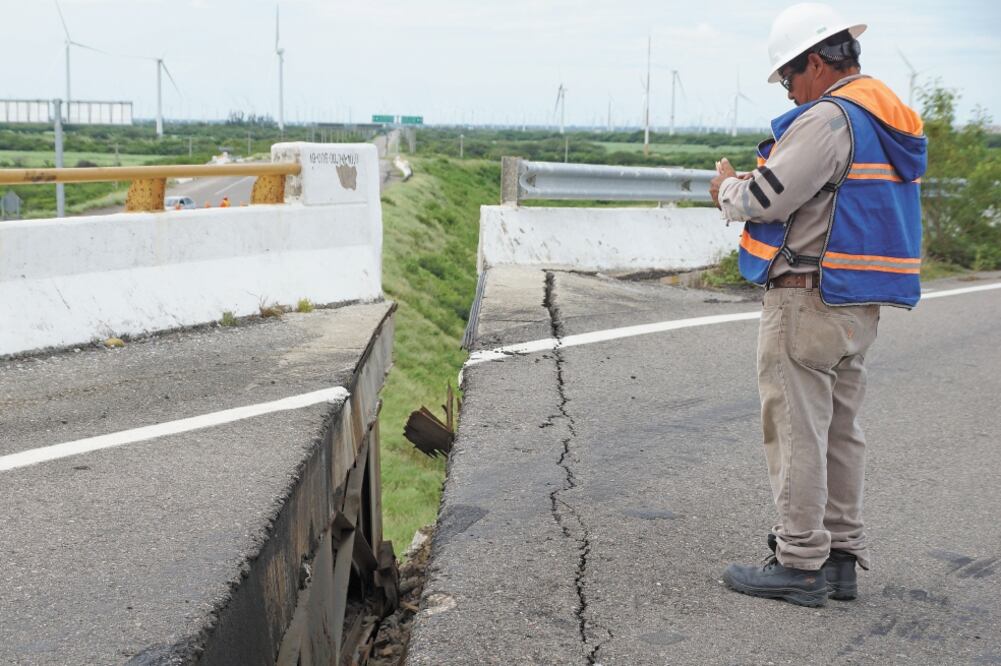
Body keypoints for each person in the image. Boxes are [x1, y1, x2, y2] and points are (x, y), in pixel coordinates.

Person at [709, 2, 927, 607]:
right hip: (859, 301)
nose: (789, 90)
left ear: (814, 62)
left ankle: (800, 560)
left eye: (787, 76)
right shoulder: (886, 120)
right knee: (840, 433)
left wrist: (724, 187)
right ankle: (839, 560)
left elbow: (767, 199)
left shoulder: (830, 118)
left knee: (797, 430)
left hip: (808, 298)